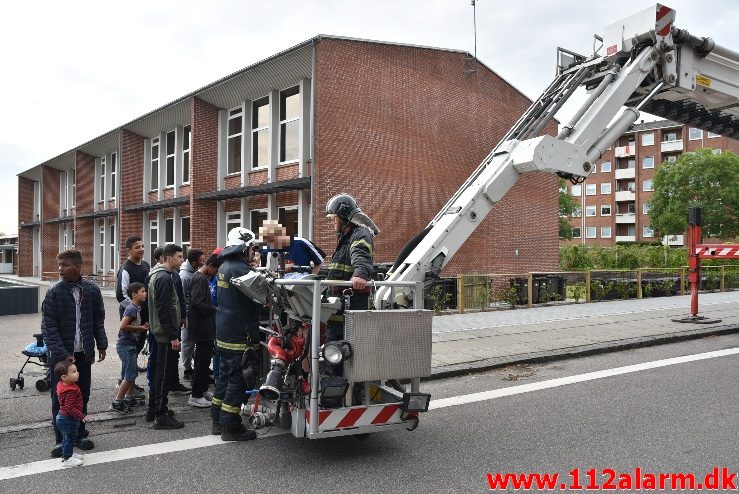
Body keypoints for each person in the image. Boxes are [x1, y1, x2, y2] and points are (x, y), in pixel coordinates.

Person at [42, 249, 107, 458]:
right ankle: (61, 439)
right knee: (60, 398)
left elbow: (98, 320)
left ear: (78, 268)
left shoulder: (92, 291)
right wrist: (62, 353)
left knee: (81, 395)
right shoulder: (54, 292)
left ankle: (79, 434)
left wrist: (102, 344)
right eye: (59, 265)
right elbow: (48, 328)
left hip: (83, 354)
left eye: (65, 265)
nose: (60, 269)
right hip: (61, 357)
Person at [210, 227, 261, 441]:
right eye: (252, 248)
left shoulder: (224, 266)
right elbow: (262, 295)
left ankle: (217, 421)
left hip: (224, 332)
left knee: (223, 378)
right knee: (237, 381)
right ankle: (231, 427)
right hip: (240, 334)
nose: (253, 251)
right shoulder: (240, 269)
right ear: (245, 247)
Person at [324, 193, 379, 376]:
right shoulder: (345, 238)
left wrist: (360, 274)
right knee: (333, 351)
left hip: (350, 311)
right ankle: (334, 386)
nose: (333, 223)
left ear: (345, 217)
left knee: (339, 353)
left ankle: (341, 390)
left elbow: (361, 255)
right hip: (339, 312)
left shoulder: (359, 234)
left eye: (335, 218)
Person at [147, 243, 186, 430]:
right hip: (164, 335)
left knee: (160, 373)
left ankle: (156, 409)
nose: (182, 260)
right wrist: (173, 336)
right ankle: (160, 415)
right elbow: (164, 309)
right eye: (179, 256)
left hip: (162, 333)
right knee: (161, 375)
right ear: (169, 258)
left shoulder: (163, 275)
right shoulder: (163, 278)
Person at [115, 235, 150, 401]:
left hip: (144, 316)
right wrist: (136, 308)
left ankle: (130, 384)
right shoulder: (126, 269)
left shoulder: (146, 265)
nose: (141, 249)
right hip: (131, 317)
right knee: (129, 351)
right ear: (129, 250)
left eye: (142, 246)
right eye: (137, 247)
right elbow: (121, 295)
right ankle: (125, 385)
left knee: (137, 348)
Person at [186, 254, 222, 407]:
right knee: (202, 361)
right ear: (211, 266)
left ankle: (202, 390)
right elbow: (197, 303)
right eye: (217, 270)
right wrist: (215, 309)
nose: (216, 274)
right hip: (201, 327)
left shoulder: (199, 277)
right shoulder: (200, 279)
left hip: (202, 326)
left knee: (204, 360)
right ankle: (196, 395)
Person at [111, 282, 149, 414]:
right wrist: (140, 328)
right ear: (134, 294)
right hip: (126, 346)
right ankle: (117, 402)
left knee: (131, 373)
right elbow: (123, 326)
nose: (145, 294)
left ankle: (129, 397)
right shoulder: (132, 308)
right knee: (129, 374)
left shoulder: (136, 308)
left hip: (130, 345)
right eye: (143, 291)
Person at [258, 220, 324, 278]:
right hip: (278, 286)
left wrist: (311, 279)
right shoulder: (267, 248)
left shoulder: (301, 243)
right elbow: (266, 270)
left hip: (301, 285)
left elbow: (319, 261)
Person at [53, 360, 87, 467]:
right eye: (73, 372)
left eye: (76, 371)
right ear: (64, 377)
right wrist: (82, 416)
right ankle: (67, 459)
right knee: (69, 438)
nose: (77, 373)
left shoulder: (61, 384)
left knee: (66, 438)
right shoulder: (70, 390)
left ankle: (67, 454)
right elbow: (69, 407)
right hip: (68, 419)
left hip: (63, 417)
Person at [179, 248, 205, 381]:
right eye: (201, 260)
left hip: (194, 313)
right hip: (189, 314)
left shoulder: (194, 272)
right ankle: (187, 369)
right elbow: (183, 298)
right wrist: (186, 316)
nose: (204, 262)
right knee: (187, 342)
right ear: (194, 262)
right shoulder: (185, 276)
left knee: (192, 341)